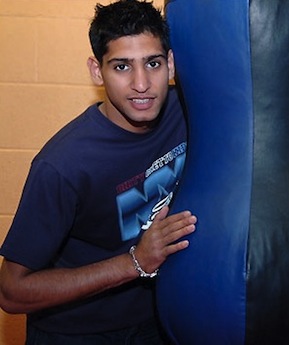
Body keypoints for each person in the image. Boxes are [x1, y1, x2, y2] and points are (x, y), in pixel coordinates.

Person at [0, 0, 196, 344]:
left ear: (170, 64)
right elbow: (11, 292)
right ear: (96, 71)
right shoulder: (63, 164)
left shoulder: (188, 111)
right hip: (76, 331)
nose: (141, 84)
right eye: (122, 66)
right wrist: (135, 262)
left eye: (152, 63)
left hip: (159, 316)